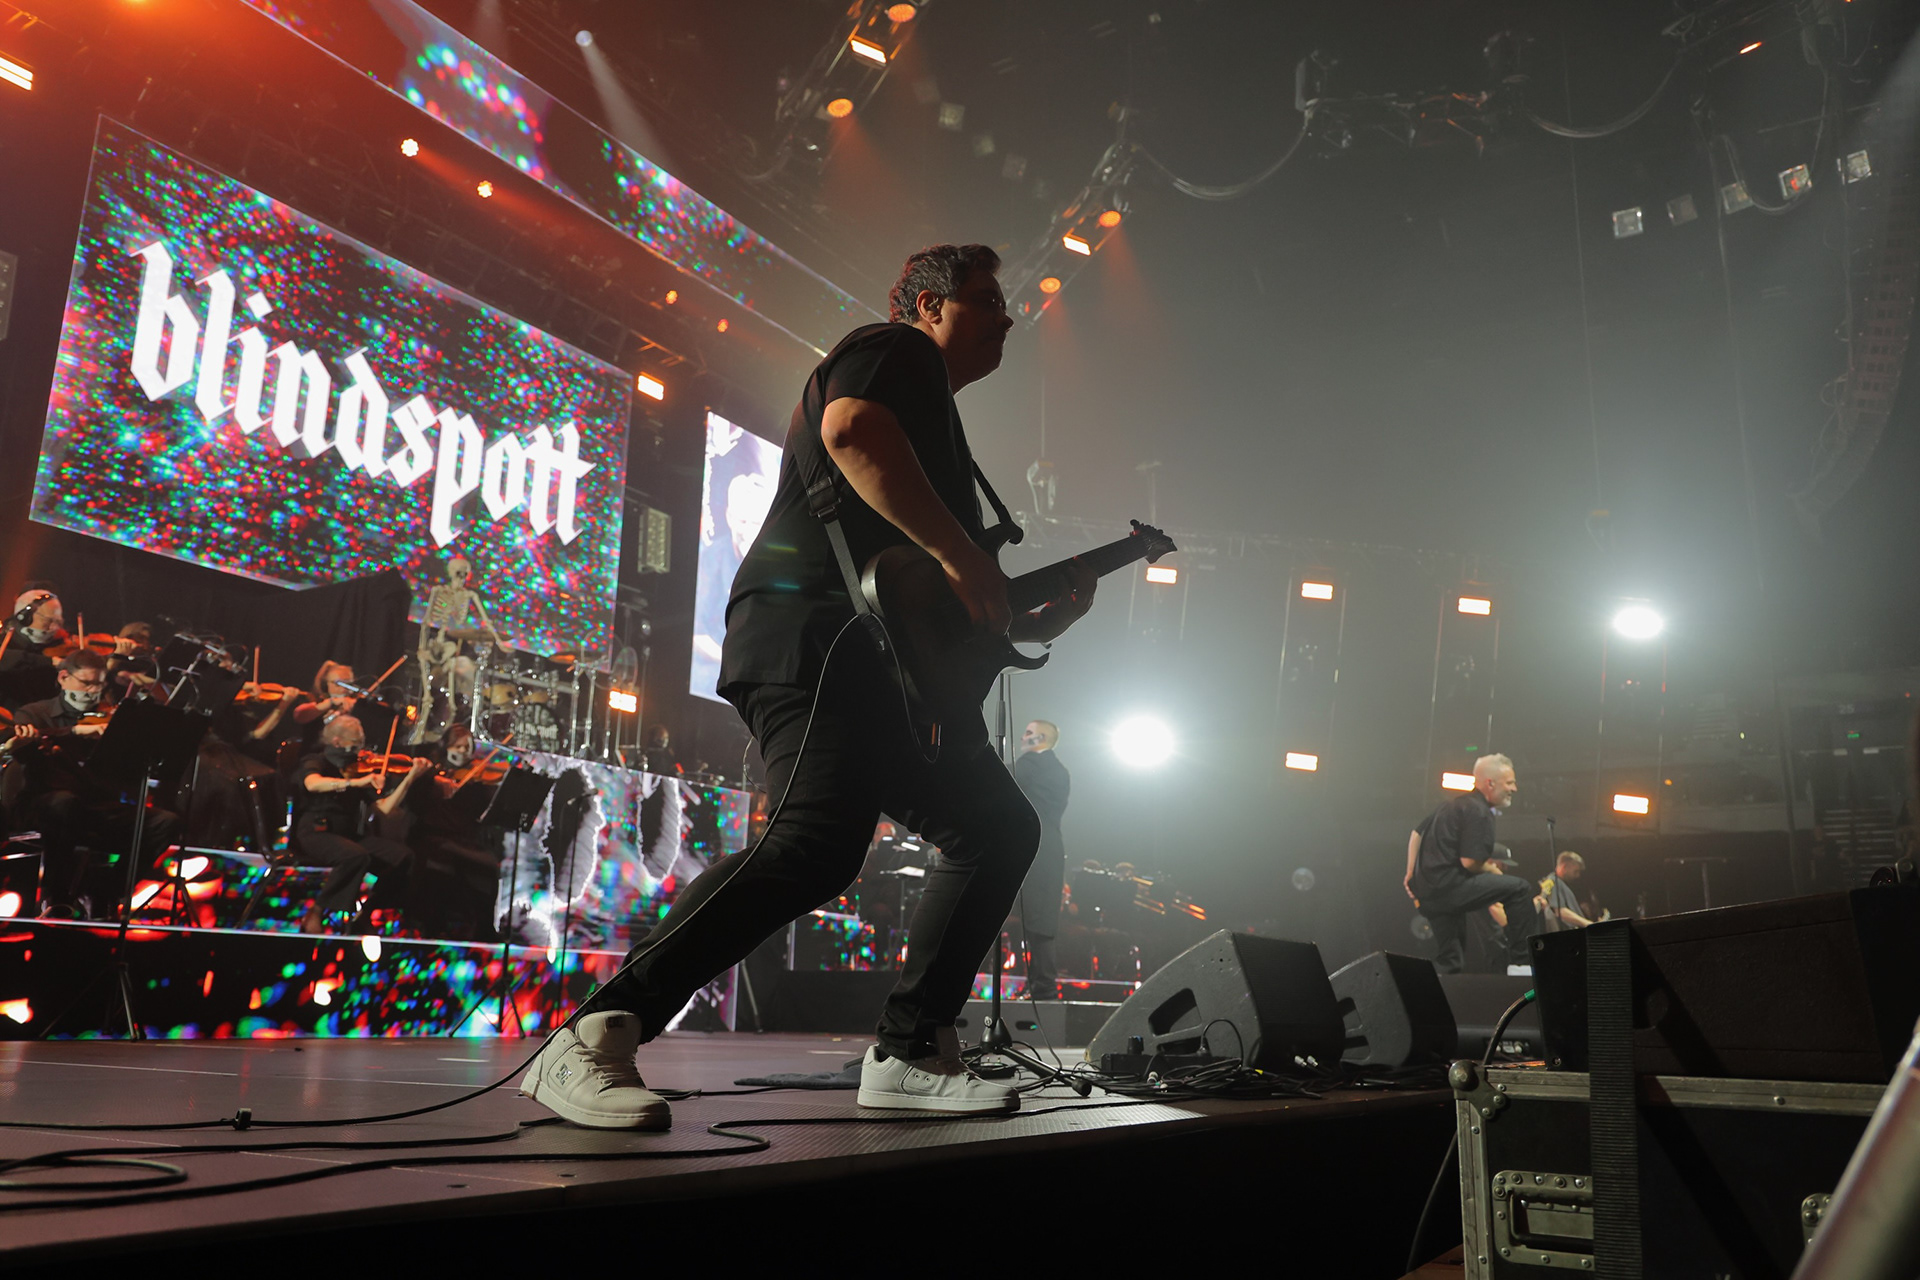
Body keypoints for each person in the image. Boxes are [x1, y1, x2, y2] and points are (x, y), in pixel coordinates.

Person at [522, 243, 1098, 1129]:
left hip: (883, 667)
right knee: (815, 843)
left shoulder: (937, 427)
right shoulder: (894, 349)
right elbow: (850, 432)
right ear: (929, 306)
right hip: (819, 643)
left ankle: (910, 1050)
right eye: (987, 300)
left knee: (995, 827)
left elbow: (934, 598)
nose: (1008, 317)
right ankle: (594, 1033)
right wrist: (961, 554)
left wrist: (1029, 617)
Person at [11, 650, 180, 917]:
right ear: (63, 678)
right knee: (64, 803)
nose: (93, 691)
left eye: (99, 685)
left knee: (165, 821)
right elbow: (18, 748)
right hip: (44, 805)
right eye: (87, 683)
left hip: (94, 806)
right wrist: (74, 731)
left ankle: (104, 891)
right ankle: (58, 897)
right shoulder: (35, 712)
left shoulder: (110, 718)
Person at [291, 714, 429, 933]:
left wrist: (410, 778)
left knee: (404, 857)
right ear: (337, 742)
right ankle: (317, 910)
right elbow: (312, 784)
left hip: (349, 834)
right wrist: (354, 783)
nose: (361, 750)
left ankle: (368, 911)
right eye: (356, 743)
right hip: (317, 832)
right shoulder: (316, 760)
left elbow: (384, 809)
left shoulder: (359, 768)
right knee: (355, 855)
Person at [1404, 753, 1539, 975]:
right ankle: (1522, 963)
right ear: (1490, 783)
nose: (1514, 789)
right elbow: (1470, 863)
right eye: (1510, 783)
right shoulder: (1479, 811)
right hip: (1450, 888)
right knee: (1520, 889)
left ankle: (1418, 988)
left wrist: (1411, 873)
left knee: (1451, 961)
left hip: (1428, 894)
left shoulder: (1450, 805)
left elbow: (1416, 833)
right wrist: (1492, 870)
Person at [1012, 719, 1070, 1000]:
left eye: (1029, 733)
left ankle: (1043, 986)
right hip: (1046, 850)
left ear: (1042, 738)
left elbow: (1001, 778)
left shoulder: (1032, 765)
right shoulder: (1058, 769)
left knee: (1037, 920)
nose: (1024, 737)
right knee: (1038, 920)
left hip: (1037, 850)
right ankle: (1040, 984)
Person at [1539, 851, 1601, 932]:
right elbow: (1560, 911)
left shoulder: (1559, 883)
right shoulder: (1551, 882)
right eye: (1575, 871)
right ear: (1564, 867)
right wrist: (1590, 925)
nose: (1578, 875)